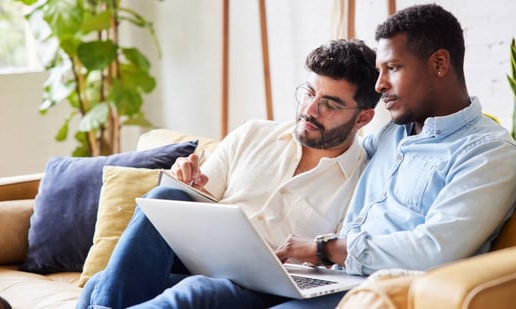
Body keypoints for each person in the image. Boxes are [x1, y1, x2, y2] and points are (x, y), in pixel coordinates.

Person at [77, 38, 381, 309]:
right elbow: (202, 200)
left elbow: (342, 261)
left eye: (329, 104)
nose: (310, 110)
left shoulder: (363, 179)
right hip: (201, 261)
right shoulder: (253, 134)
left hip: (269, 289)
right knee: (165, 196)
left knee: (194, 290)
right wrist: (187, 186)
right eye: (309, 93)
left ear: (363, 118)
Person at [272, 3, 516, 307]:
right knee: (206, 293)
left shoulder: (488, 153)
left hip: (387, 293)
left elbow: (436, 249)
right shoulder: (391, 135)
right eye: (380, 71)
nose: (379, 85)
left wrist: (326, 249)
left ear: (440, 64)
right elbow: (337, 159)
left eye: (392, 68)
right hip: (333, 279)